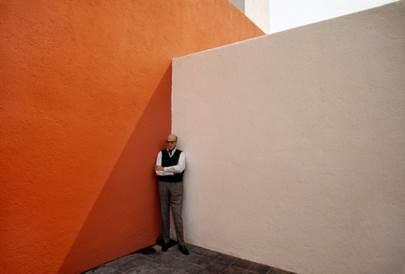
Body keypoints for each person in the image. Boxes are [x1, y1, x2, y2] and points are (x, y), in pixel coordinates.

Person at [155, 134, 189, 255]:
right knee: (164, 212)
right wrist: (170, 171)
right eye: (167, 142)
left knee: (177, 214)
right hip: (162, 185)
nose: (169, 144)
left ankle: (181, 243)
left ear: (176, 143)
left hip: (177, 186)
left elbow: (180, 169)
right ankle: (165, 240)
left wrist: (164, 169)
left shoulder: (181, 154)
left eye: (172, 142)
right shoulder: (161, 153)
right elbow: (157, 171)